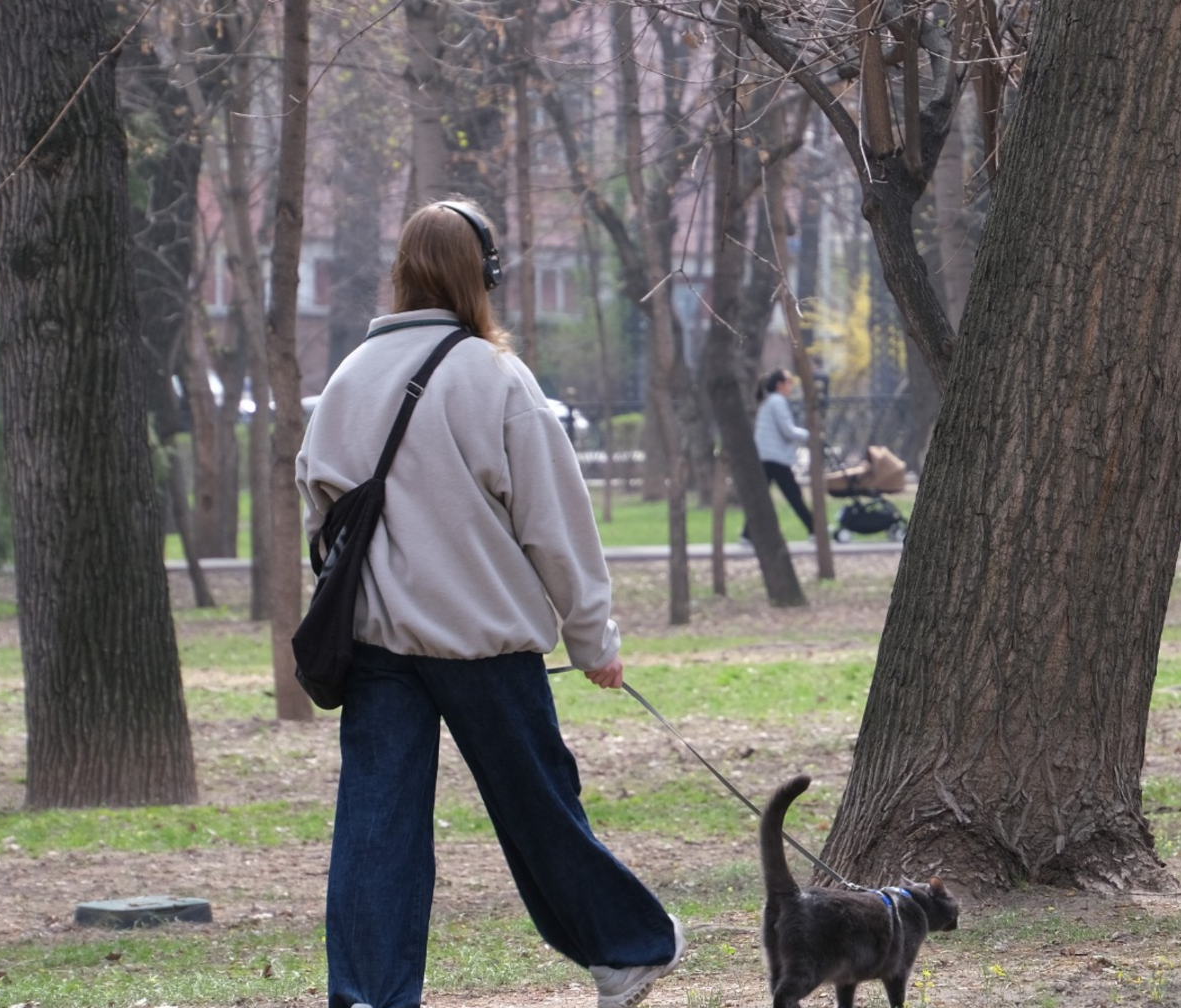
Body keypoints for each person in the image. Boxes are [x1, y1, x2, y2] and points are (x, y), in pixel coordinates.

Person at [296, 199, 683, 1008]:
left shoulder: (343, 380)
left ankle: (367, 996)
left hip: (376, 646)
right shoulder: (495, 376)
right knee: (538, 807)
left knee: (376, 831)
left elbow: (322, 519)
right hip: (485, 644)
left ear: (402, 272)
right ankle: (625, 951)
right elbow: (557, 524)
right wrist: (593, 638)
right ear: (485, 274)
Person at [745, 368, 814, 540]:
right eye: (789, 382)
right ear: (779, 385)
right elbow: (788, 430)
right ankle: (815, 529)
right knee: (794, 495)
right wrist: (809, 435)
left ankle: (747, 534)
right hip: (775, 458)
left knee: (762, 498)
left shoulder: (769, 402)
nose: (791, 386)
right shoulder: (777, 402)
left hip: (767, 456)